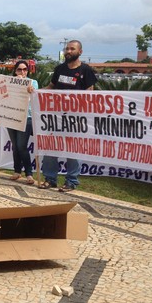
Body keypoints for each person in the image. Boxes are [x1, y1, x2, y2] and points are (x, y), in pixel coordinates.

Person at [40, 40, 97, 192]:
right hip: (56, 117)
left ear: (80, 52)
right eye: (67, 48)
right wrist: (37, 92)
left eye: (72, 49)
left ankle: (71, 181)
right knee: (51, 148)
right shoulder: (59, 69)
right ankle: (50, 179)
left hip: (75, 119)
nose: (68, 51)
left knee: (73, 150)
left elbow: (89, 92)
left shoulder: (86, 70)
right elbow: (51, 87)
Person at [7, 60, 38, 184]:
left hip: (27, 117)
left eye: (25, 69)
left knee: (21, 146)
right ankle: (17, 171)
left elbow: (35, 98)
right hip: (11, 116)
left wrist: (29, 89)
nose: (22, 72)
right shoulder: (9, 82)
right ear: (15, 71)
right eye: (19, 69)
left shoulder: (33, 82)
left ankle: (29, 173)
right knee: (15, 146)